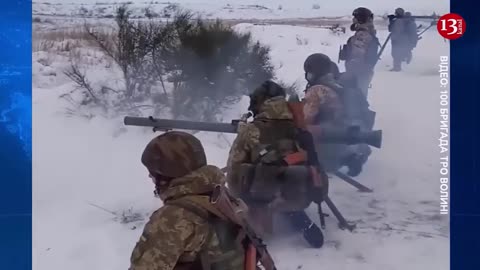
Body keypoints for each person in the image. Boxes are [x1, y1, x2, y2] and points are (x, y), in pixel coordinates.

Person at [129, 131, 275, 270]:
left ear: (165, 174)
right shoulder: (220, 197)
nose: (150, 177)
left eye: (152, 173)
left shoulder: (173, 217)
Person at [226, 80, 325, 248]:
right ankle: (293, 213)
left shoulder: (252, 130)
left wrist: (238, 199)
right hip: (298, 194)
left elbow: (233, 173)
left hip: (262, 196)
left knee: (245, 171)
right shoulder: (299, 124)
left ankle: (256, 225)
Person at [303, 53, 370, 176]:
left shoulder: (316, 90)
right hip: (342, 140)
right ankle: (351, 157)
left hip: (324, 142)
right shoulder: (337, 85)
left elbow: (306, 119)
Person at [340, 7, 379, 97]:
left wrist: (347, 75)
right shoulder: (367, 32)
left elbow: (357, 57)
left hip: (358, 74)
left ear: (360, 19)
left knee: (357, 99)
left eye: (355, 17)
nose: (353, 20)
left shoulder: (362, 35)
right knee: (360, 98)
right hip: (362, 73)